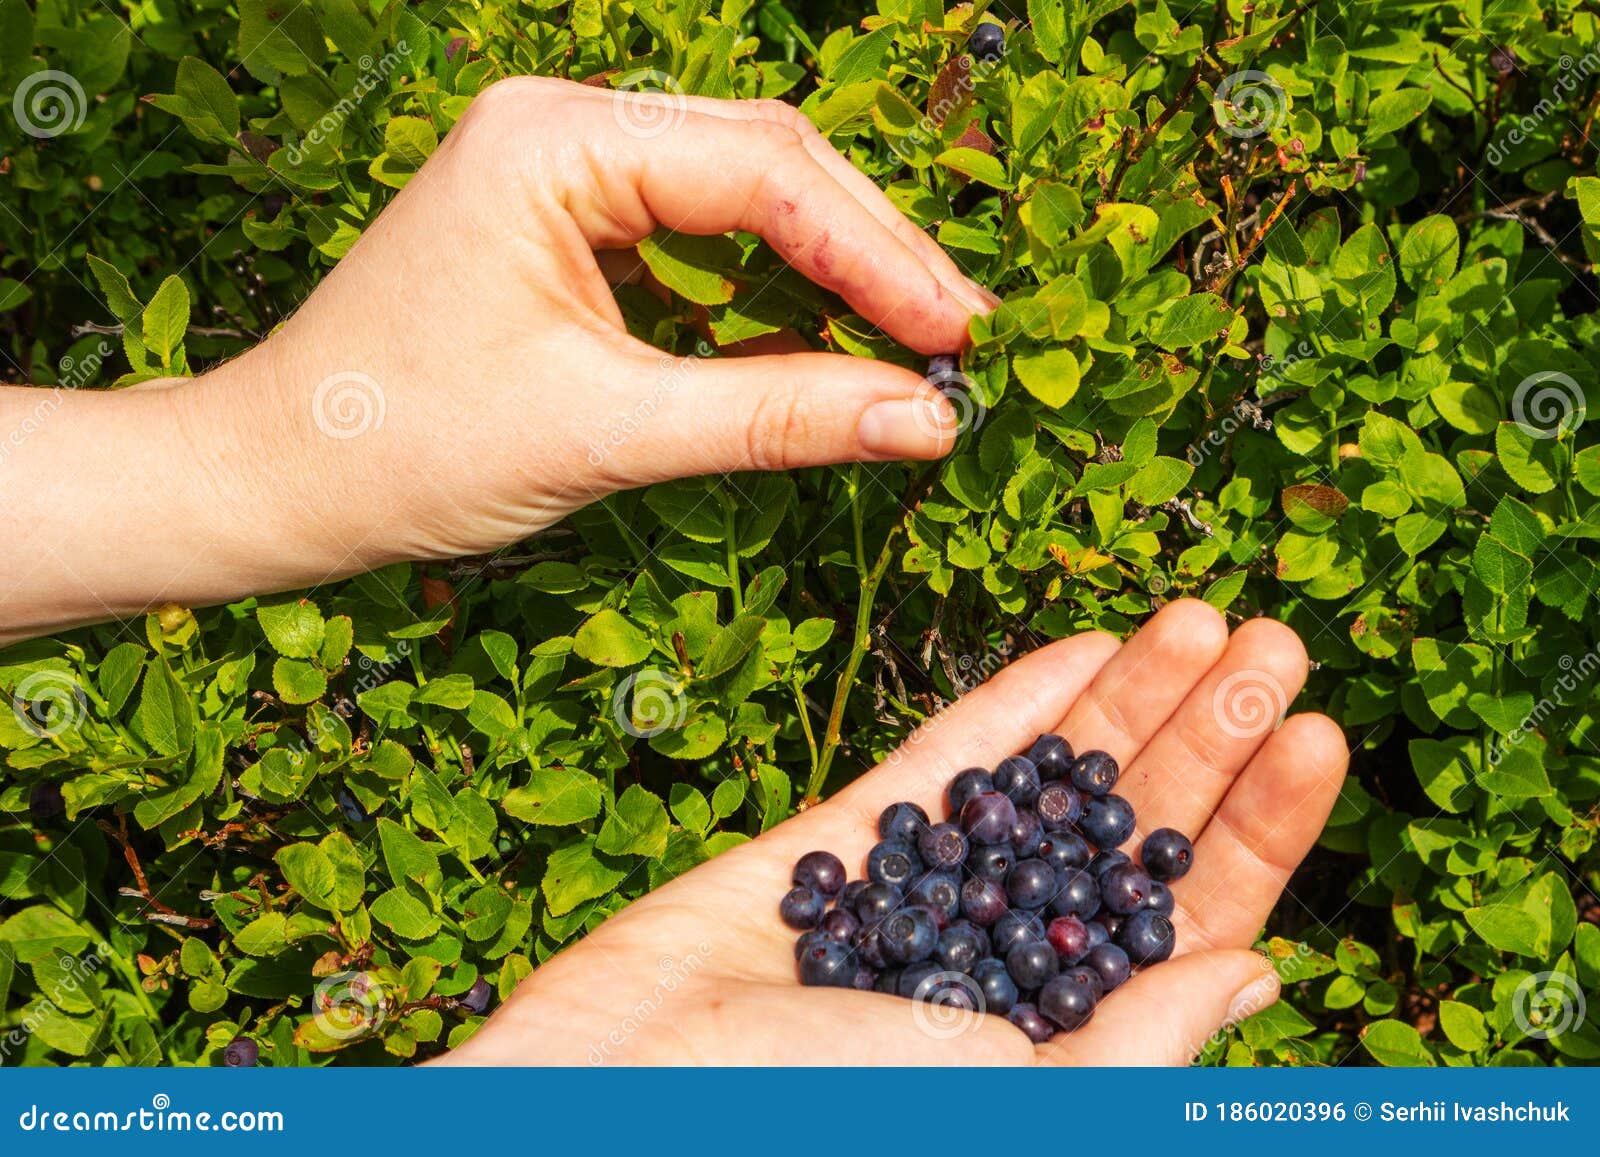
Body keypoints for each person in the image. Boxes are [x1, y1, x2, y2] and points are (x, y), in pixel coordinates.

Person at [1, 79, 1348, 1063]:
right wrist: (248, 459)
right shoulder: (926, 915)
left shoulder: (959, 902)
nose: (1043, 921)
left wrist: (245, 460)